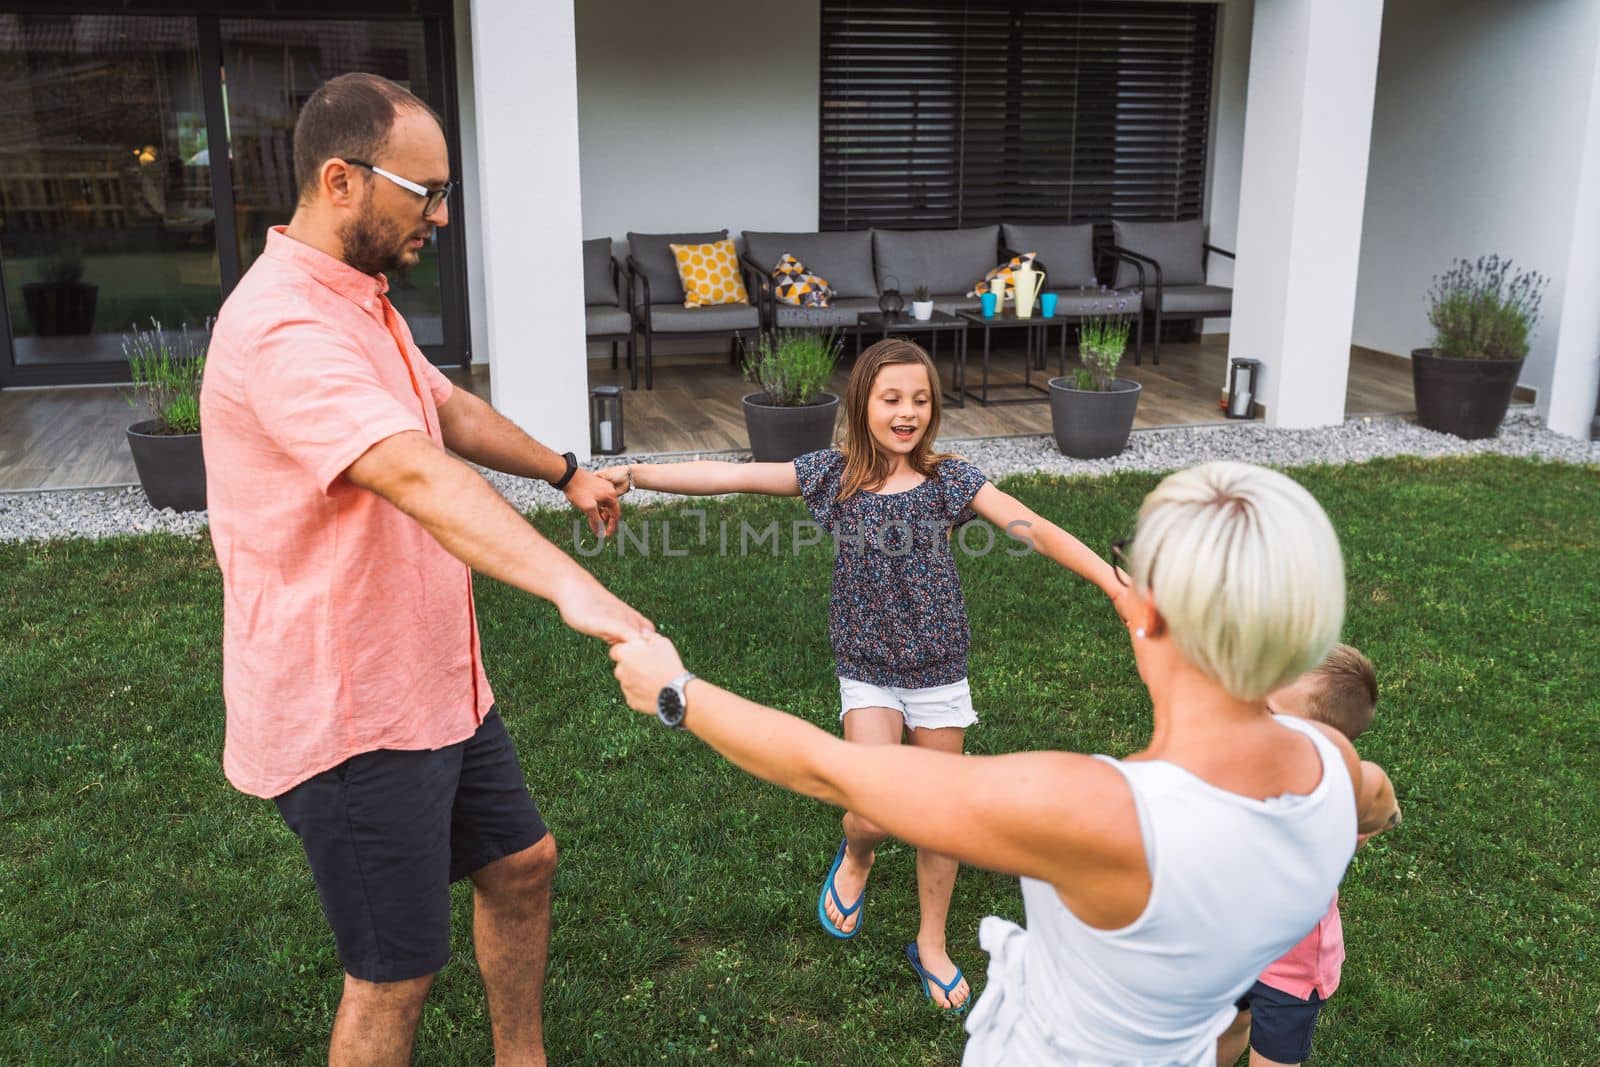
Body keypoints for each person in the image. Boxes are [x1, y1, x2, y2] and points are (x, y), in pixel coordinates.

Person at [609, 461, 1400, 1064]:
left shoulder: (1098, 809)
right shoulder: (1336, 765)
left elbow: (833, 770)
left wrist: (676, 689)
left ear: (1150, 606)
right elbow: (1378, 808)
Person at [200, 73, 651, 1067]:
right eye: (426, 192)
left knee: (523, 863)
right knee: (394, 972)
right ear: (341, 180)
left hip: (432, 680)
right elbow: (412, 469)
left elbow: (439, 409)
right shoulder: (283, 328)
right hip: (352, 708)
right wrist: (577, 588)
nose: (442, 216)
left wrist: (564, 470)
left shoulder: (361, 301)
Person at [599, 338, 1121, 1011]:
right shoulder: (833, 475)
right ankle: (858, 856)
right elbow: (735, 474)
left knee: (942, 817)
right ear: (863, 403)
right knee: (872, 808)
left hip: (938, 669)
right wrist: (637, 474)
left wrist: (1111, 582)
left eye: (921, 400)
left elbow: (1037, 527)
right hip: (868, 667)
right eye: (893, 398)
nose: (907, 412)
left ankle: (931, 942)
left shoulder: (950, 479)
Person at [1217, 645, 1402, 1067]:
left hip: (1290, 970)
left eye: (1267, 707)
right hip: (1231, 945)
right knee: (1226, 1027)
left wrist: (1377, 820)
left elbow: (1382, 806)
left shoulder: (1333, 802)